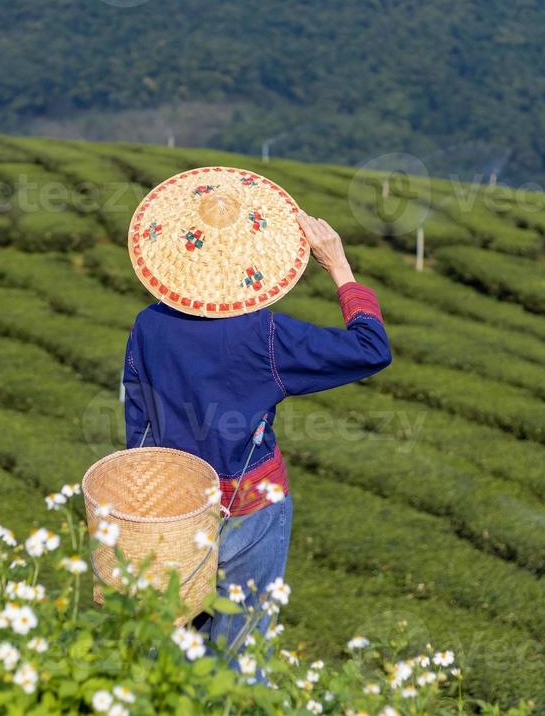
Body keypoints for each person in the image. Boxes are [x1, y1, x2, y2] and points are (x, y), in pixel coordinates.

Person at [120, 211, 391, 651]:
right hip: (252, 504)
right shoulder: (263, 333)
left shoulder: (148, 324)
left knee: (170, 649)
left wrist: (149, 499)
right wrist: (338, 265)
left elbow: (139, 417)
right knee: (240, 651)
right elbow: (371, 348)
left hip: (173, 504)